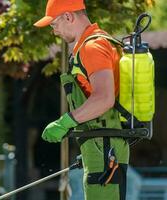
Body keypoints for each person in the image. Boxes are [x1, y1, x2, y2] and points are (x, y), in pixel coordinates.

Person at [34, 0, 129, 199]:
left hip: (105, 147)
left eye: (54, 24)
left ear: (68, 16)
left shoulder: (92, 47)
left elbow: (104, 98)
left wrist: (65, 121)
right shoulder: (93, 44)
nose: (54, 31)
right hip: (102, 144)